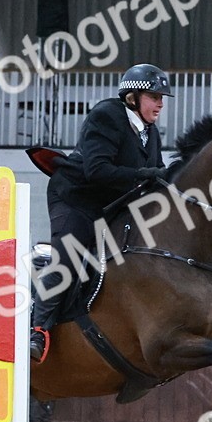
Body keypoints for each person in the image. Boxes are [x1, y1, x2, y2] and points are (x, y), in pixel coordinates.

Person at [29, 63, 174, 362]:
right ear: (133, 97)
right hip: (75, 197)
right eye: (155, 96)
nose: (160, 102)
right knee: (68, 257)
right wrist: (149, 173)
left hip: (108, 204)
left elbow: (153, 179)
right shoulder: (107, 115)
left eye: (162, 97)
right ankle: (38, 330)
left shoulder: (151, 133)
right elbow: (97, 170)